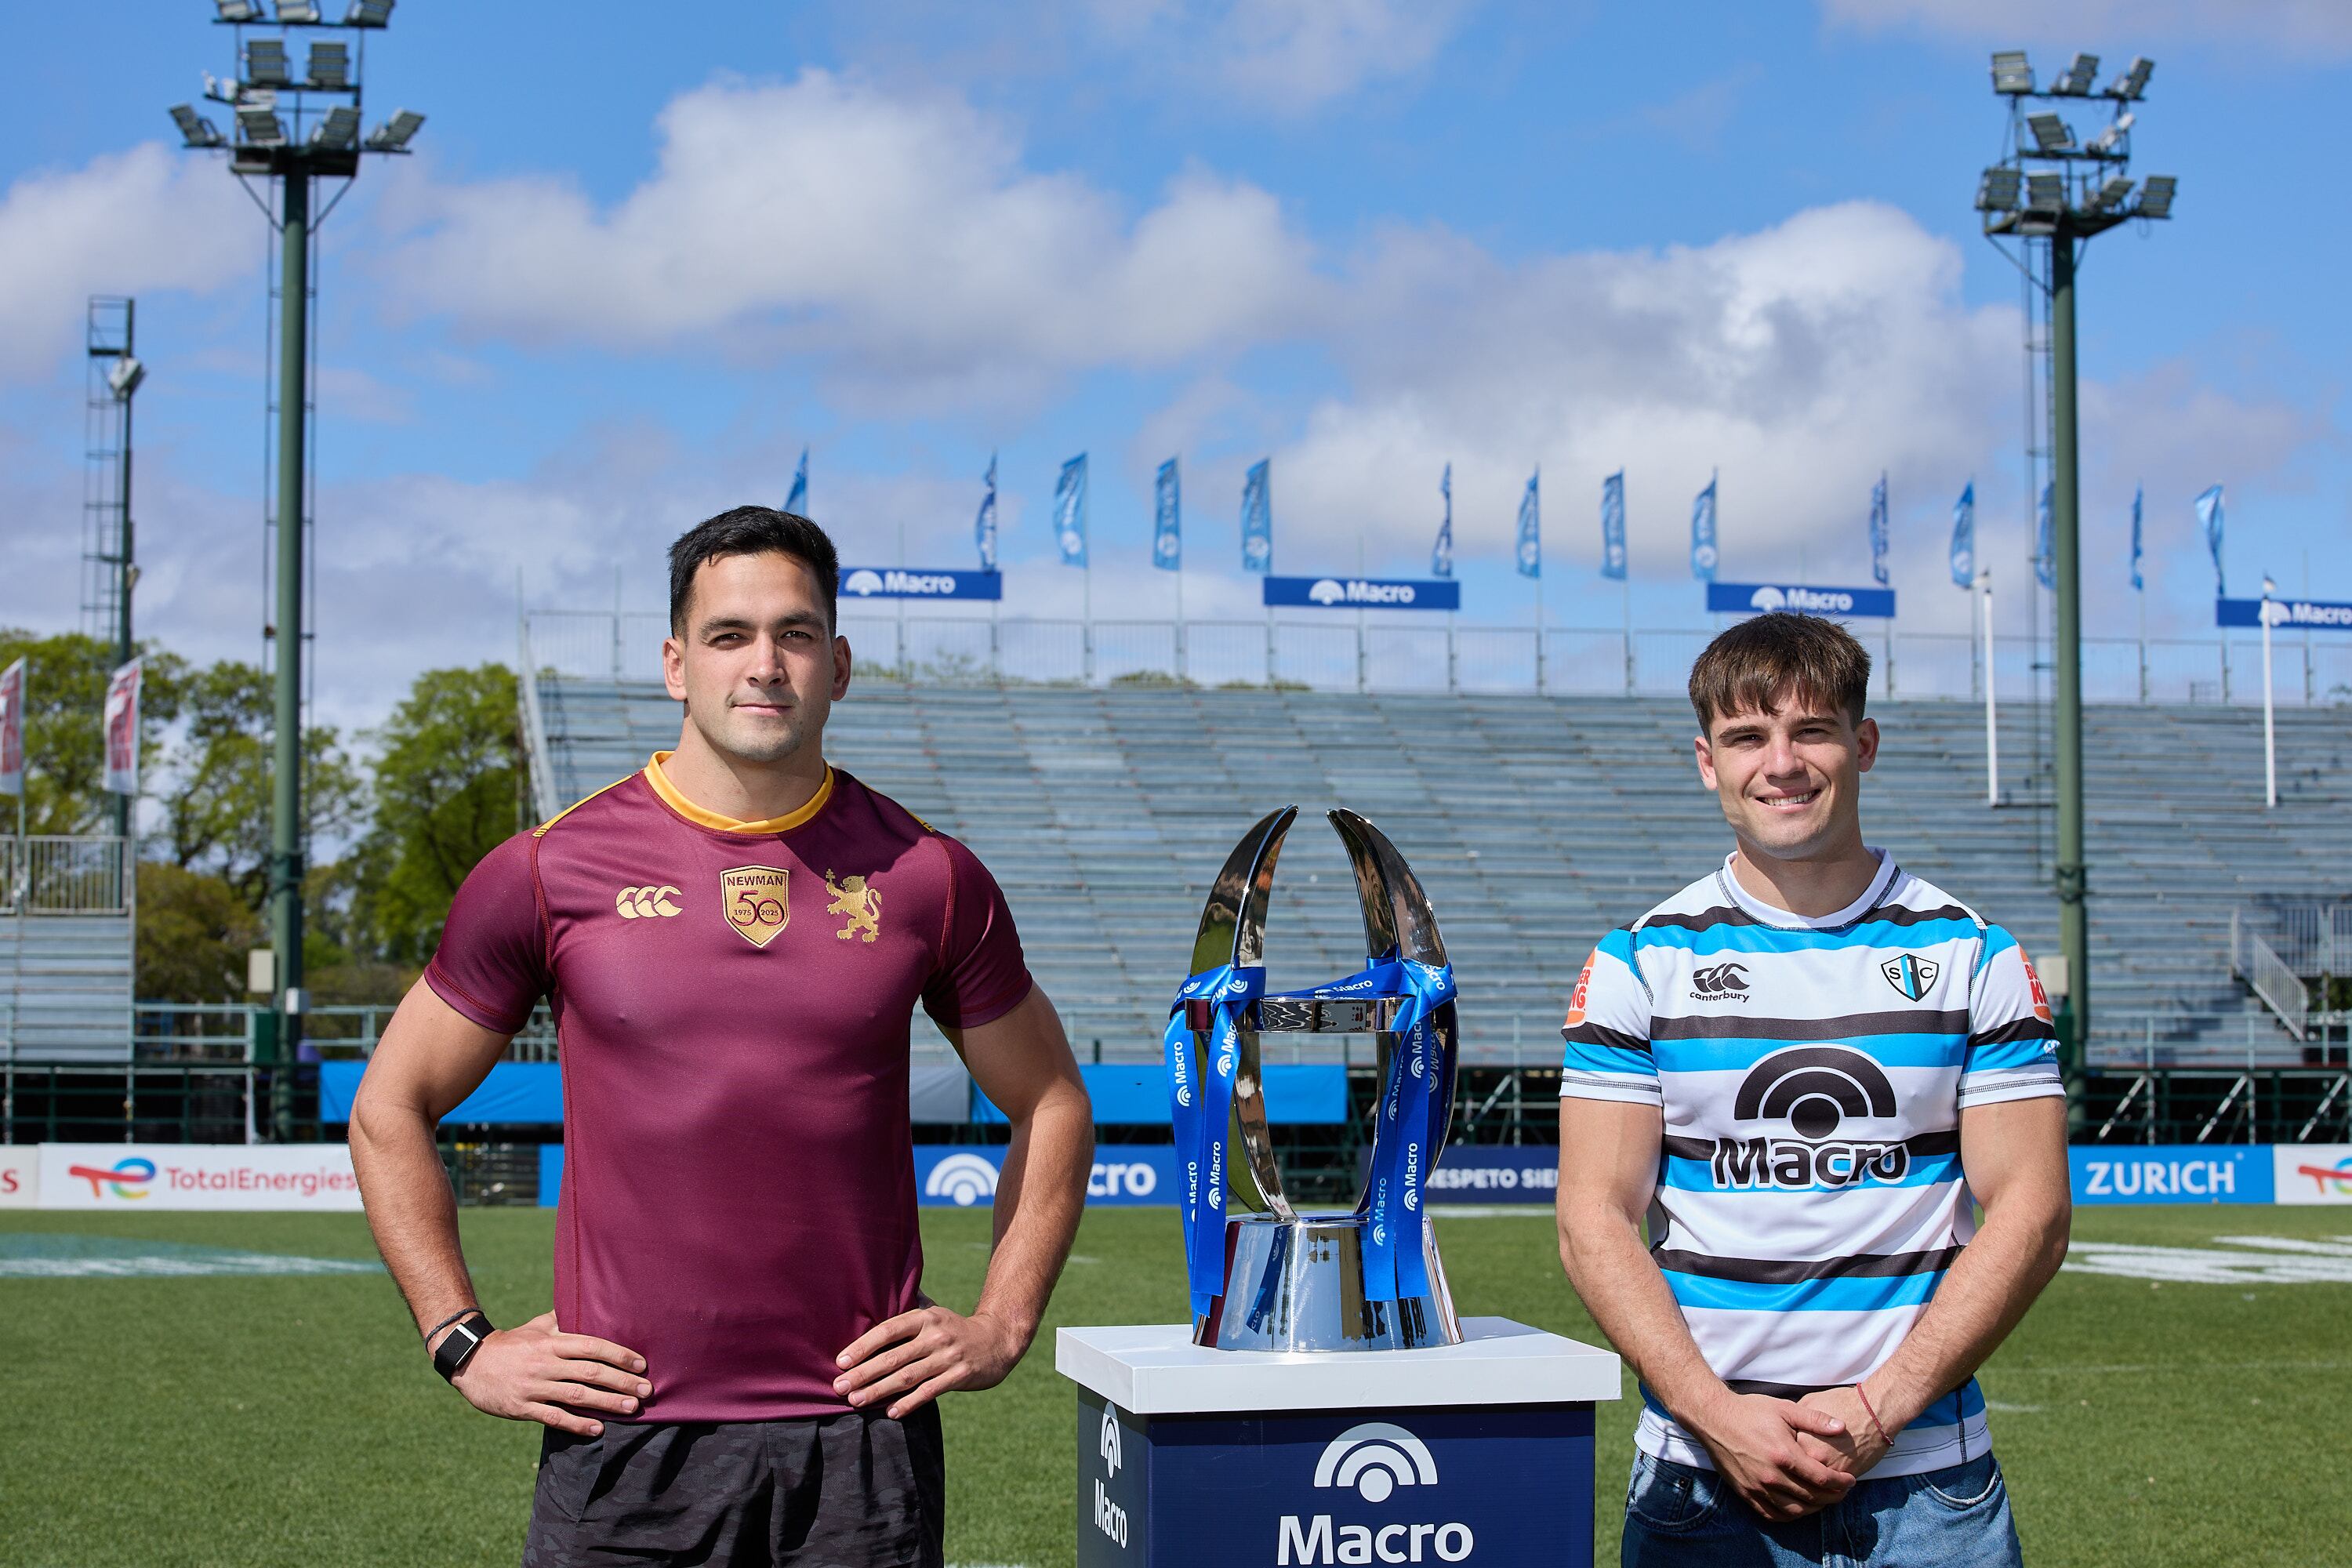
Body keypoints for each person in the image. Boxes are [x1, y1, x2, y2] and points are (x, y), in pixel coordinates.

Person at [350, 506, 1094, 1567]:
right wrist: (460, 1339)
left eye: (795, 635)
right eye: (729, 635)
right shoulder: (549, 870)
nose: (765, 665)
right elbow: (389, 1105)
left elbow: (1052, 1100)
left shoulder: (928, 875)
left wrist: (1002, 1323)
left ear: (838, 664)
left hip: (859, 1444)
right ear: (675, 664)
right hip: (624, 1437)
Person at [1555, 612, 2071, 1566]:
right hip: (1699, 1479)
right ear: (1707, 761)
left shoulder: (1972, 956)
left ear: (1862, 743)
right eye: (1748, 737)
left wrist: (1880, 1409)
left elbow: (2032, 1211)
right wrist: (1719, 1416)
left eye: (1813, 730)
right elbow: (1593, 1216)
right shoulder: (1638, 960)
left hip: (1928, 1485)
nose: (1782, 763)